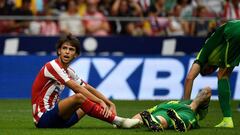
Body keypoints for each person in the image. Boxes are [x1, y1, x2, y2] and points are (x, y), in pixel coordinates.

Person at [31, 34, 140, 128]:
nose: (67, 52)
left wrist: (110, 103)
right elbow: (77, 88)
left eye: (71, 49)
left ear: (76, 54)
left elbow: (87, 87)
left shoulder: (69, 71)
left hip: (59, 121)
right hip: (43, 118)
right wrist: (100, 102)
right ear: (59, 51)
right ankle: (119, 121)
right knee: (79, 97)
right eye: (64, 48)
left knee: (87, 99)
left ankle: (115, 121)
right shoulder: (52, 66)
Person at [184, 20, 240, 128]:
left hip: (233, 32)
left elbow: (189, 78)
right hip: (235, 30)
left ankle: (227, 120)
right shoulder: (220, 54)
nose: (210, 71)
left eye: (205, 71)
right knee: (225, 74)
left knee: (222, 76)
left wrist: (185, 106)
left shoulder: (202, 55)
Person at [123, 87, 212, 132]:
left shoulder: (189, 103)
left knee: (160, 117)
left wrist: (126, 122)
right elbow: (207, 90)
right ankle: (178, 123)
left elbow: (138, 117)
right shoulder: (188, 104)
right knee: (183, 117)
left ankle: (156, 122)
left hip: (166, 109)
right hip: (177, 110)